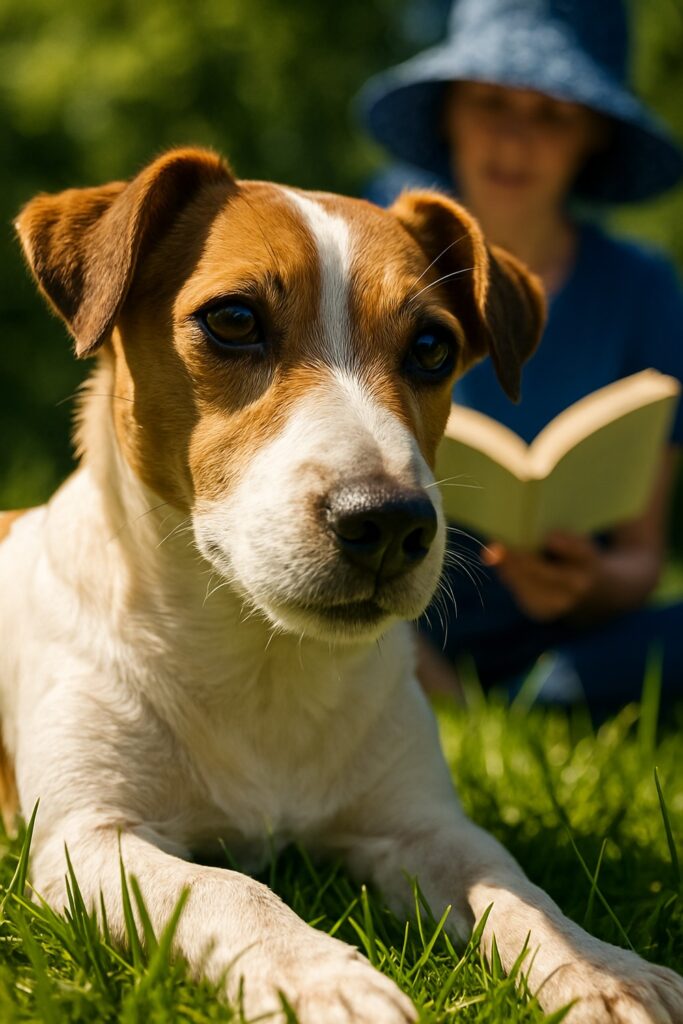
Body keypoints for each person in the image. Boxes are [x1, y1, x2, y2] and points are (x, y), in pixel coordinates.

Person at [359, 0, 683, 710]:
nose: (514, 137)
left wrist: (590, 583)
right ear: (448, 112)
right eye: (489, 102)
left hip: (563, 626)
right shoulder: (368, 245)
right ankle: (484, 697)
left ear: (592, 136)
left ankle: (535, 698)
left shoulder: (642, 288)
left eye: (551, 114)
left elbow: (640, 557)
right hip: (382, 587)